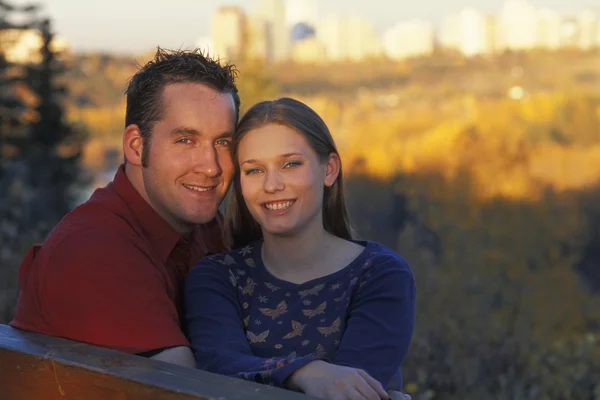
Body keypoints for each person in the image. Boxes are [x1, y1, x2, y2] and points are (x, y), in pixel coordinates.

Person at [10, 48, 240, 367]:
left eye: (222, 143)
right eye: (186, 140)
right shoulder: (95, 249)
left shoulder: (204, 226)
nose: (212, 167)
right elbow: (182, 387)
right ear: (136, 146)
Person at [184, 98, 416, 399]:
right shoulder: (216, 278)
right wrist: (306, 372)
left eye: (290, 164)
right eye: (254, 170)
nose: (272, 185)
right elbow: (219, 367)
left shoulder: (381, 276)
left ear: (329, 169)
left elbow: (350, 393)